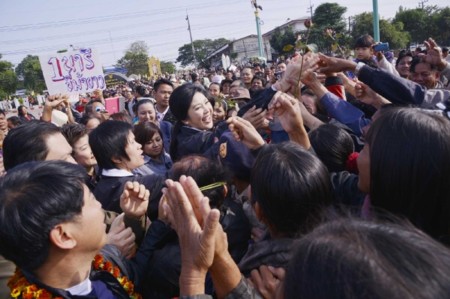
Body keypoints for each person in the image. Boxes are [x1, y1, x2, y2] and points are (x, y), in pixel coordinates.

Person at [358, 106, 450, 241]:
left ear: (391, 167)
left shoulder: (385, 255)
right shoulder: (371, 198)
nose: (358, 156)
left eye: (365, 148)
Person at [89, 120, 159, 213]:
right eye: (132, 142)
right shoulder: (138, 186)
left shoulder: (99, 187)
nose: (139, 146)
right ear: (116, 158)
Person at [169, 83, 226, 161]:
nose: (207, 110)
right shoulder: (189, 143)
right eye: (198, 107)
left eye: (206, 102)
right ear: (185, 119)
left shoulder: (206, 129)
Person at [61, 123, 99, 191]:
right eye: (84, 148)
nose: (92, 149)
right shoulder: (75, 186)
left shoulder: (105, 168)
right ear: (71, 155)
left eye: (91, 143)